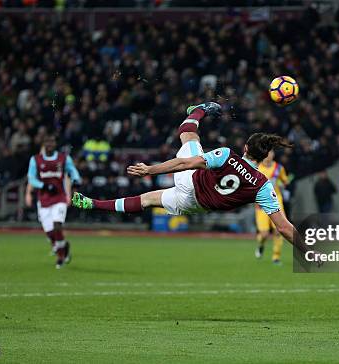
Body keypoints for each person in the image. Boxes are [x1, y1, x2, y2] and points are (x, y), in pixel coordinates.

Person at [71, 102, 310, 255]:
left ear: (246, 147)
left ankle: (200, 109)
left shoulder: (227, 156)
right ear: (265, 155)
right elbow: (283, 228)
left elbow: (185, 164)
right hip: (196, 206)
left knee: (188, 135)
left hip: (190, 182)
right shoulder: (262, 185)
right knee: (146, 201)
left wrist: (150, 170)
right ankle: (91, 203)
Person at [27, 134, 82, 269]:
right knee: (50, 234)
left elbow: (73, 171)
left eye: (52, 141)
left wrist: (76, 179)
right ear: (43, 144)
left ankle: (60, 257)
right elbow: (31, 178)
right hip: (44, 199)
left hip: (59, 198)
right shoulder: (35, 160)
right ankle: (64, 247)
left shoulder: (63, 158)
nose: (50, 144)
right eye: (47, 141)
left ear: (55, 143)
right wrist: (43, 186)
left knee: (57, 225)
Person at [254, 149, 290, 264]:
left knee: (279, 230)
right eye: (267, 153)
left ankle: (276, 257)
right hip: (261, 204)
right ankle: (261, 244)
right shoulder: (257, 167)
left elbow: (285, 181)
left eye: (271, 153)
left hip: (276, 202)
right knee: (264, 234)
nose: (269, 155)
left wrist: (283, 184)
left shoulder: (279, 168)